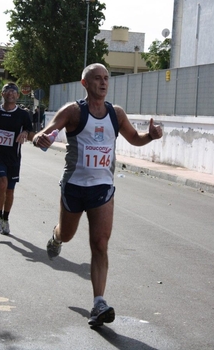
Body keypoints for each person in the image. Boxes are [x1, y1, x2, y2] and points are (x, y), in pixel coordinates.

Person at [32, 63, 163, 328]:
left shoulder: (116, 113)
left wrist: (150, 135)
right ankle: (56, 236)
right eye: (97, 79)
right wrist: (40, 139)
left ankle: (99, 302)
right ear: (85, 83)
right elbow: (43, 133)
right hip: (74, 187)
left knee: (100, 244)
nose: (103, 83)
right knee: (67, 234)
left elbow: (134, 138)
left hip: (102, 188)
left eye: (106, 79)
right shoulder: (73, 111)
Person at [0, 82, 34, 235]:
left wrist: (25, 133)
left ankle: (5, 220)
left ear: (17, 96)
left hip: (13, 158)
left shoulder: (23, 114)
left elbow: (29, 130)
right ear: (2, 94)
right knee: (2, 183)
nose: (10, 93)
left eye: (13, 91)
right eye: (7, 90)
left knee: (10, 191)